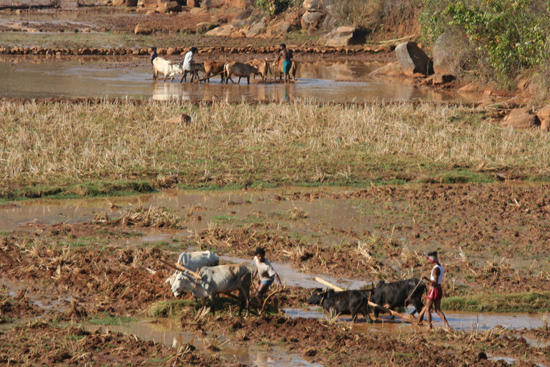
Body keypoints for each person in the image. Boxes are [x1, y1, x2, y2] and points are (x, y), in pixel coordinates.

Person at [419, 251, 450, 329]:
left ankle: (429, 327)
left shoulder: (436, 269)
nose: (429, 261)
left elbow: (435, 281)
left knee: (427, 309)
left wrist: (426, 278)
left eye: (429, 259)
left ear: (432, 259)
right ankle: (447, 326)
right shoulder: (441, 267)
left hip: (434, 290)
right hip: (439, 289)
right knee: (438, 310)